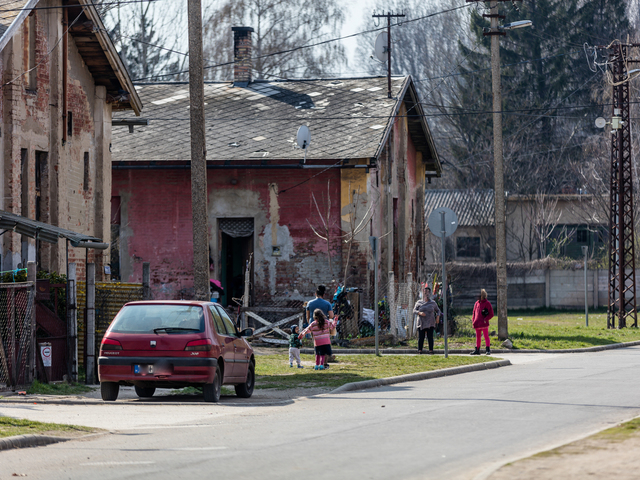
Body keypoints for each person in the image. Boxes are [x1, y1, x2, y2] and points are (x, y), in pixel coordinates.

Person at [305, 284, 334, 367]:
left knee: (317, 344)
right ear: (323, 295)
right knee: (324, 343)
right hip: (324, 327)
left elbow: (307, 316)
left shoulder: (309, 303)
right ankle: (324, 363)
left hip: (314, 327)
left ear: (315, 294)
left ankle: (317, 363)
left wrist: (311, 324)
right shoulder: (327, 304)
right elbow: (331, 316)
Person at [413, 286, 441, 354]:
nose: (426, 294)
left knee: (430, 337)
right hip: (421, 322)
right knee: (421, 337)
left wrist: (438, 316)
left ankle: (431, 350)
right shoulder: (419, 302)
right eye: (425, 292)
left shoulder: (433, 303)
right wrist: (419, 313)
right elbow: (414, 310)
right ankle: (420, 350)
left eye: (428, 292)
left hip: (430, 322)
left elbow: (438, 310)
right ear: (423, 293)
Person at [471, 289, 494, 355]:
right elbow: (474, 313)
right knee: (478, 337)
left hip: (484, 323)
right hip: (477, 323)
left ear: (482, 296)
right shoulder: (476, 303)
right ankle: (477, 350)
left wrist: (485, 319)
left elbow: (491, 314)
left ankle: (487, 350)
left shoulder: (487, 303)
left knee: (486, 336)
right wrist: (473, 320)